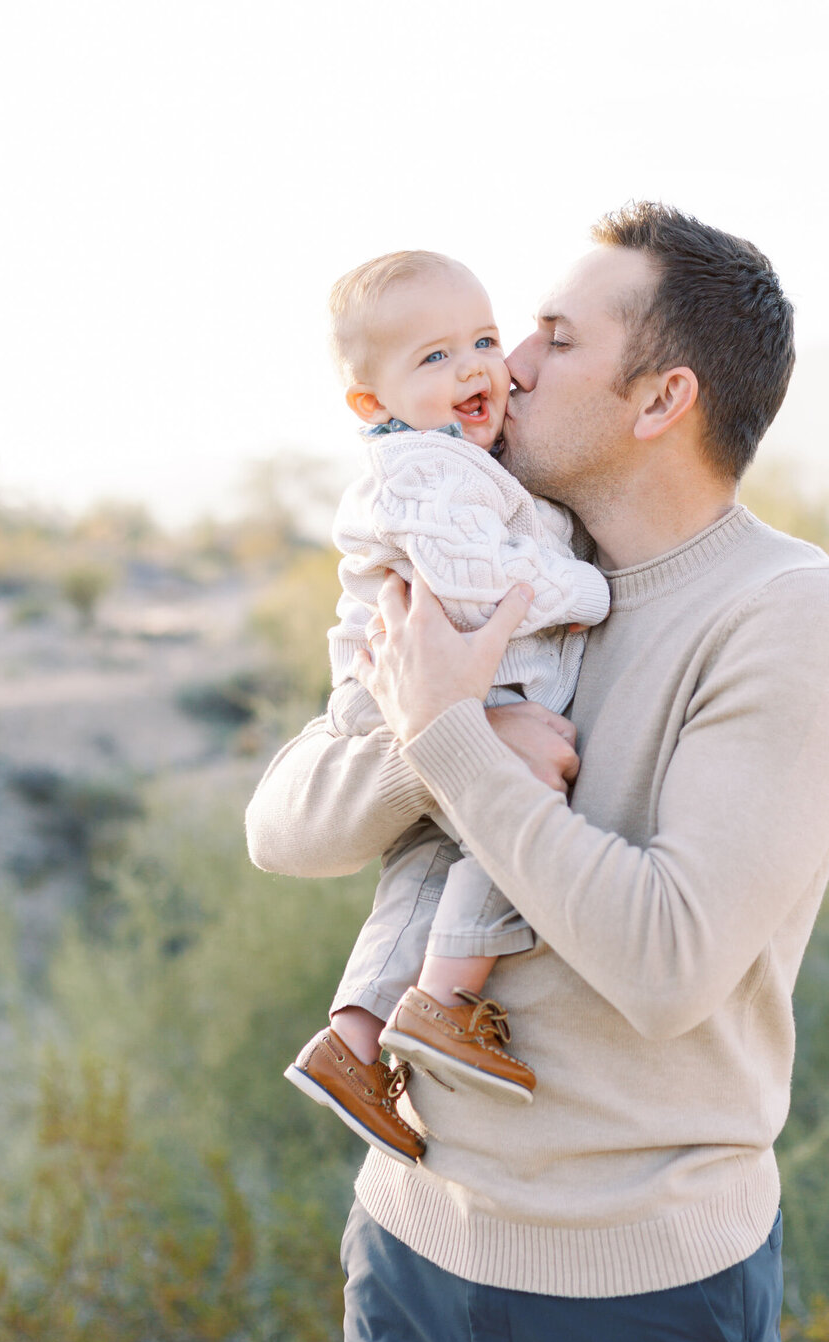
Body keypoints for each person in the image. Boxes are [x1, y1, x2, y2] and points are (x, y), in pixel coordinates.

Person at [246, 201, 829, 1342]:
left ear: (665, 397)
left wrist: (447, 739)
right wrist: (435, 724)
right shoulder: (485, 547)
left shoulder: (792, 615)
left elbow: (665, 962)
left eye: (551, 336)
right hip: (411, 1258)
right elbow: (284, 825)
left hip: (641, 1298)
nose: (510, 365)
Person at [283, 250, 609, 1166]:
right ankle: (444, 1003)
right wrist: (588, 589)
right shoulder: (420, 469)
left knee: (425, 865)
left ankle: (352, 1043)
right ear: (369, 402)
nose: (474, 367)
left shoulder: (458, 459)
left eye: (481, 339)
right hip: (421, 688)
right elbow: (473, 585)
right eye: (434, 358)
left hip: (423, 691)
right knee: (510, 812)